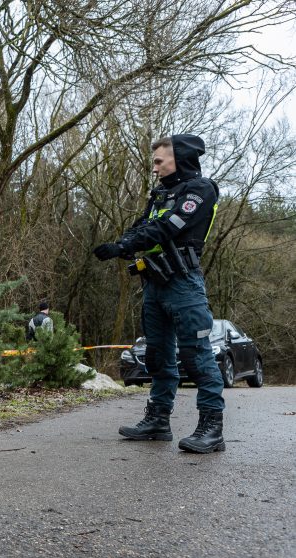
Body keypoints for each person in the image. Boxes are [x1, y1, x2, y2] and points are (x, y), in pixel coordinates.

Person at [93, 134, 225, 453]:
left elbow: (169, 227)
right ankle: (158, 420)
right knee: (157, 356)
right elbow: (142, 225)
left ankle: (212, 428)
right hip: (153, 282)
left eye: (158, 161)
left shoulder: (201, 190)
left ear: (178, 158)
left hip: (183, 282)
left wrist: (124, 246)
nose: (154, 168)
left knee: (196, 354)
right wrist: (124, 243)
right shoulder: (161, 193)